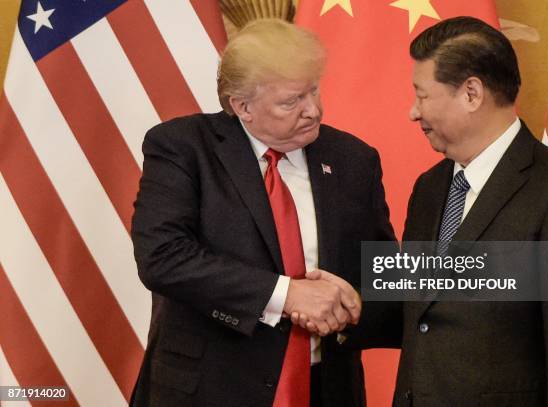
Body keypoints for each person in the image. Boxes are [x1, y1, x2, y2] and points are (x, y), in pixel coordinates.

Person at [336, 16, 548, 407]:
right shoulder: (429, 188)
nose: (413, 112)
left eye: (422, 95)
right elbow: (422, 304)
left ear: (471, 93)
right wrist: (347, 305)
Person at [129, 18, 394, 407]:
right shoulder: (184, 148)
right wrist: (287, 295)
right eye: (292, 101)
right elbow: (163, 257)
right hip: (210, 389)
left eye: (314, 91)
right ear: (242, 107)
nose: (313, 110)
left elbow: (381, 270)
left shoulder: (354, 159)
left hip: (325, 390)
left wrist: (350, 304)